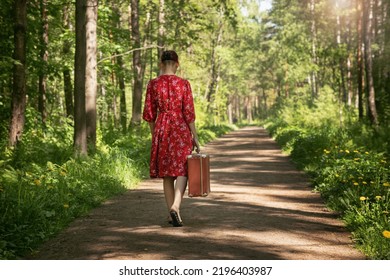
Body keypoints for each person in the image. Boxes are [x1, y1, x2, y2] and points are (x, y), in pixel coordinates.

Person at [142, 50, 200, 227]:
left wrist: (155, 135)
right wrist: (195, 137)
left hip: (162, 128)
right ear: (177, 64)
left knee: (167, 173)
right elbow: (188, 113)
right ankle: (176, 206)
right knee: (182, 169)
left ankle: (171, 213)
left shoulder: (153, 84)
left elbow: (150, 114)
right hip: (181, 128)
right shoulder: (183, 84)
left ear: (161, 64)